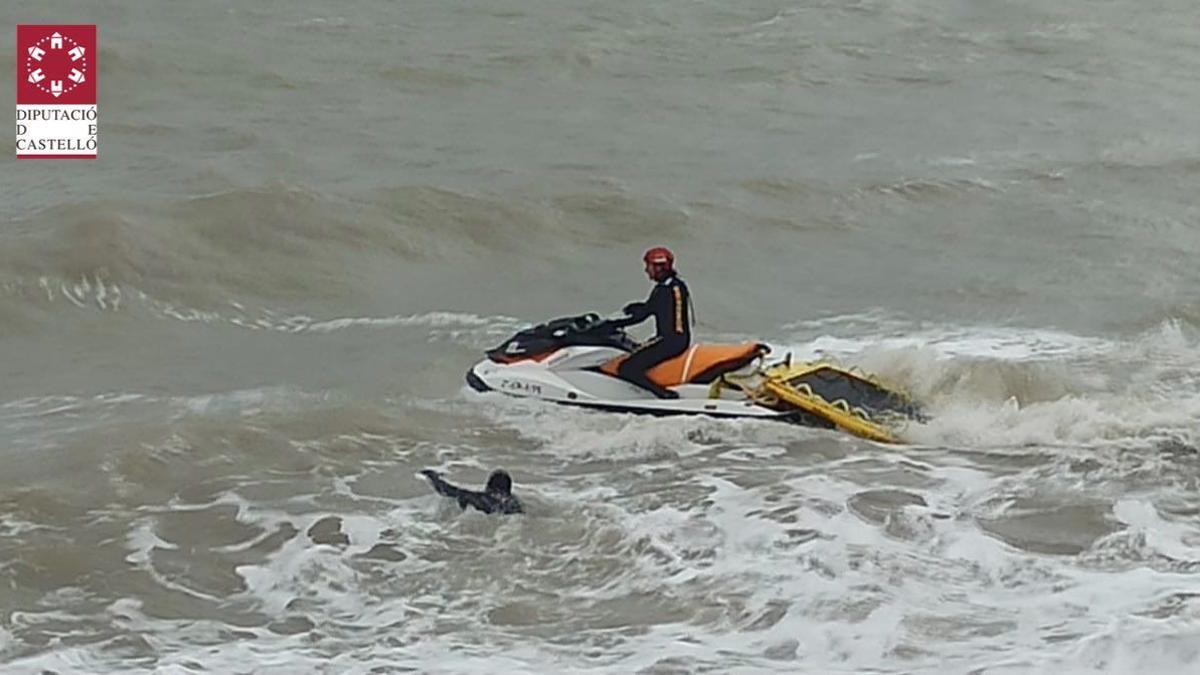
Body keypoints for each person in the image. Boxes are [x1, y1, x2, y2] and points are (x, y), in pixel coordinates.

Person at [611, 246, 692, 399]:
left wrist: (611, 325)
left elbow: (644, 314)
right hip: (676, 339)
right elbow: (652, 307)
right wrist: (635, 307)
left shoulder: (665, 290)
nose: (646, 271)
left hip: (670, 341)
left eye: (648, 266)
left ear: (658, 268)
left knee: (625, 368)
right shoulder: (675, 286)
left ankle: (662, 394)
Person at [419, 469, 523, 515]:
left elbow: (447, 490)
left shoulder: (482, 497)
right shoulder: (514, 504)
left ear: (489, 486)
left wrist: (432, 476)